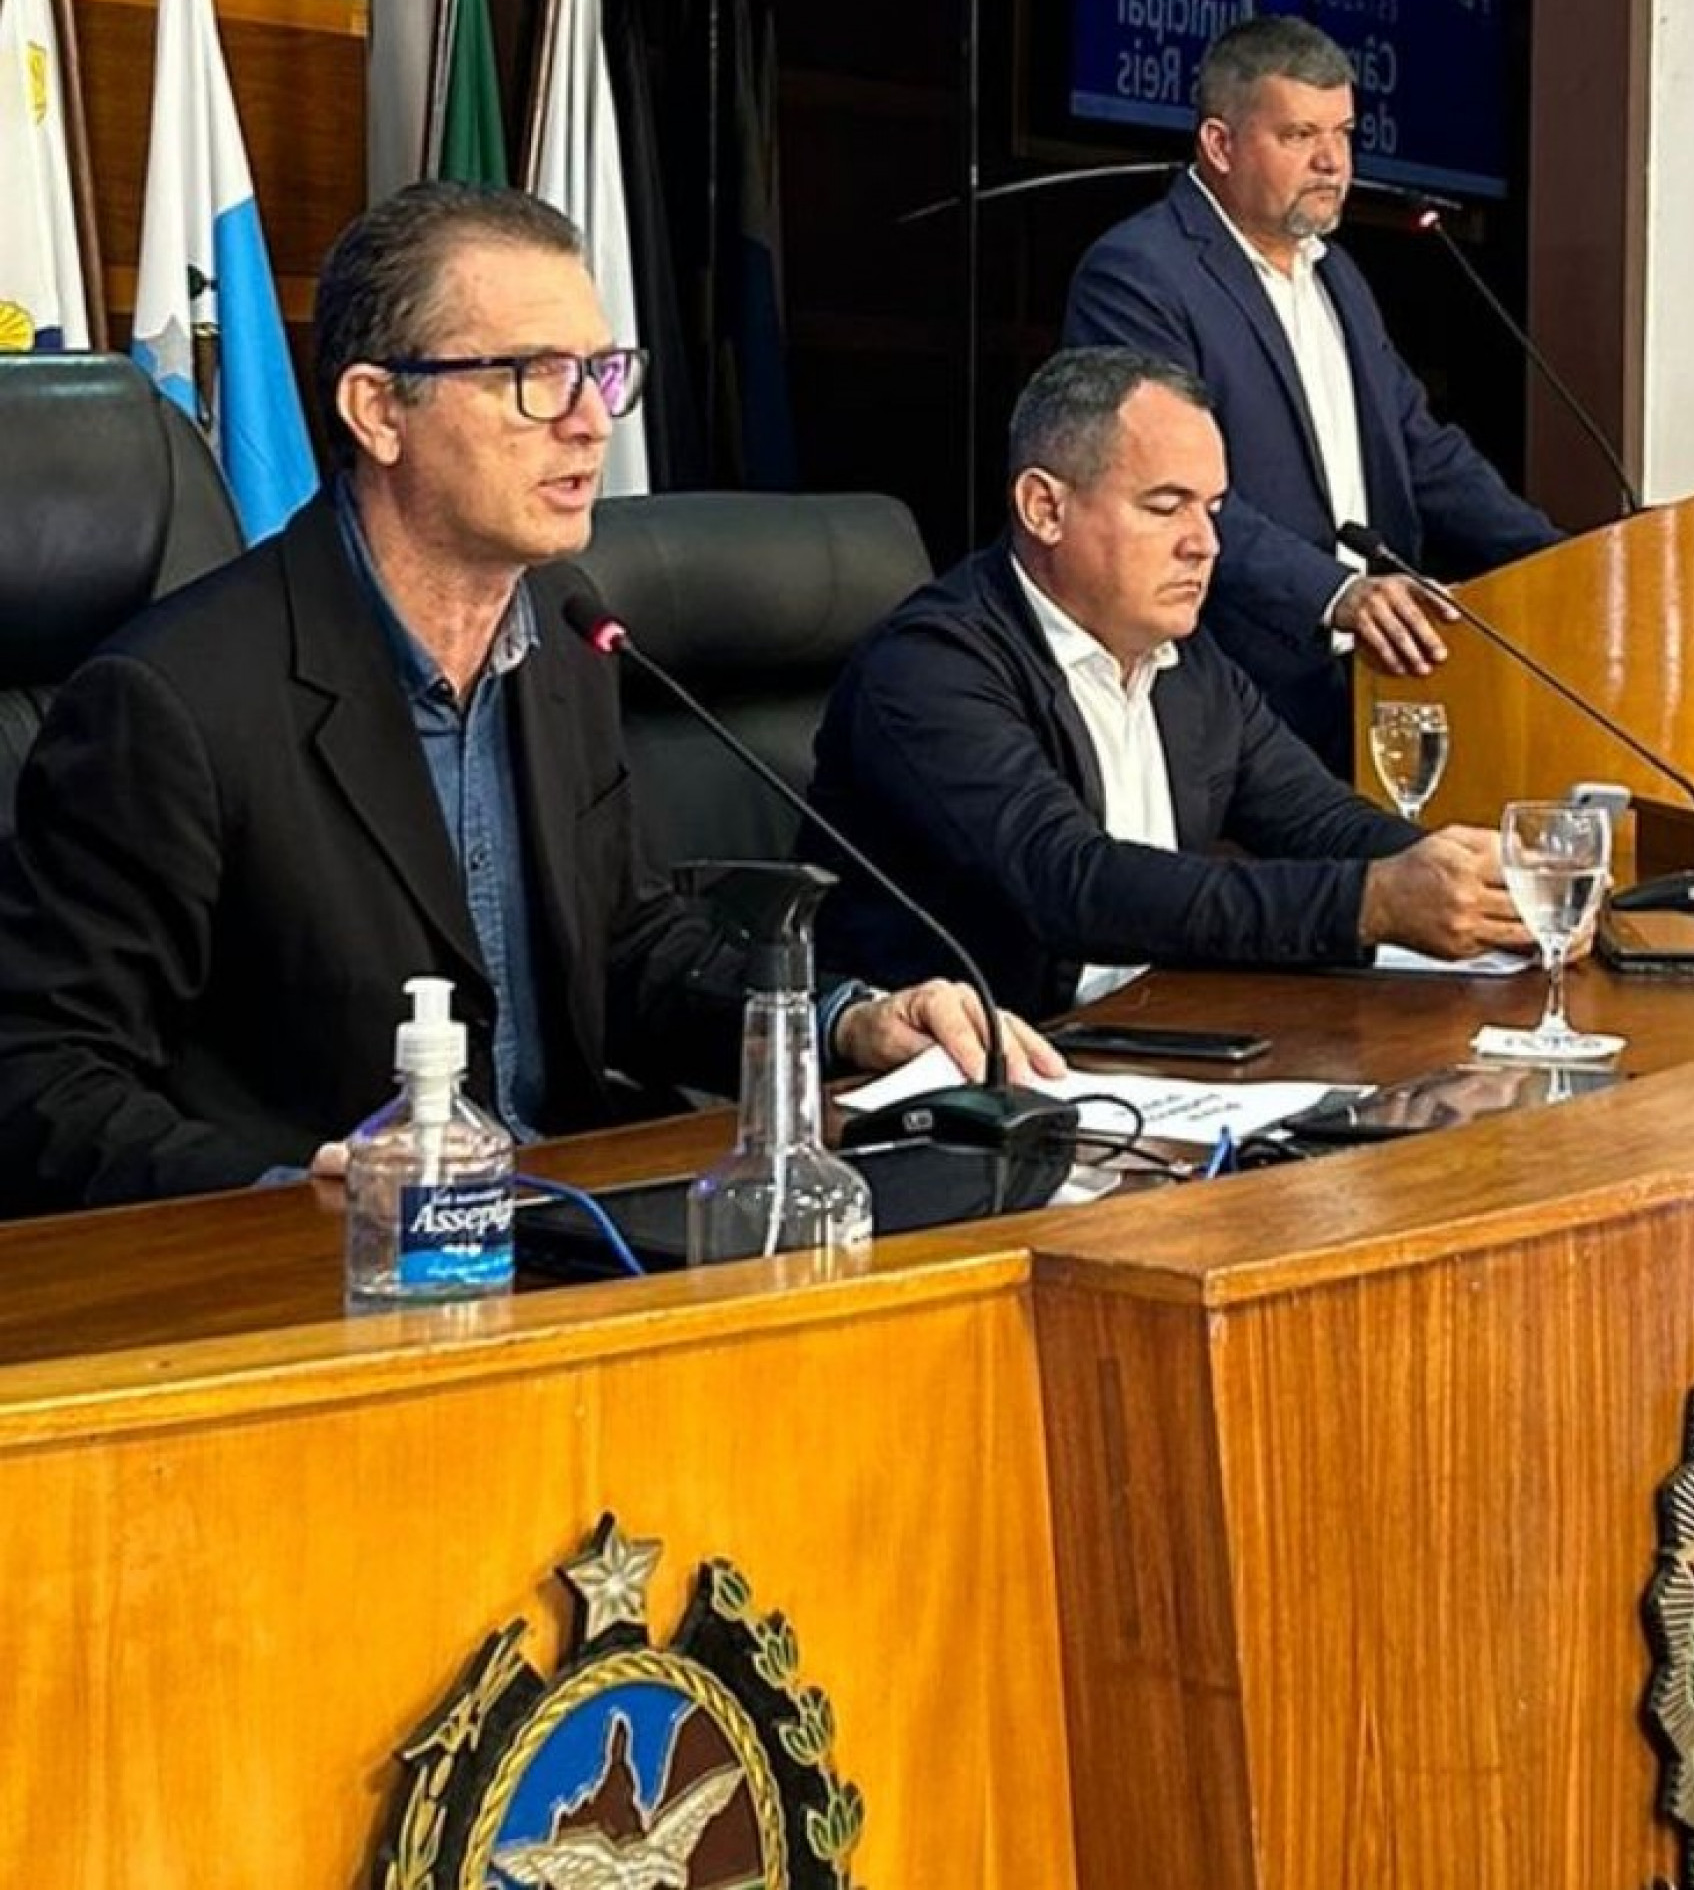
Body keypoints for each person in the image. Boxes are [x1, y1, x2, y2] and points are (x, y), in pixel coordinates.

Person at [0, 184, 1057, 1215]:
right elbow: (44, 1082)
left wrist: (843, 1021)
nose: (591, 422)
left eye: (601, 370)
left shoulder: (563, 633)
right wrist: (293, 1199)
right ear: (379, 410)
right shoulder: (174, 703)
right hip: (325, 1286)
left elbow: (627, 952)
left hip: (566, 1224)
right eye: (536, 376)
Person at [809, 347, 1533, 1016]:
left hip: (1155, 1042)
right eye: (1165, 506)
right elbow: (1072, 884)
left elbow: (1321, 822)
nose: (1205, 542)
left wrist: (1481, 879)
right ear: (1044, 508)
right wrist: (1371, 903)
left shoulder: (1189, 663)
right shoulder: (930, 667)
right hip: (968, 1089)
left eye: (1212, 509)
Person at [1061, 14, 1560, 771]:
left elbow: (1421, 451)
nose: (1332, 161)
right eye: (1298, 136)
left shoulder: (1338, 276)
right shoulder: (1140, 274)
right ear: (1220, 145)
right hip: (1229, 688)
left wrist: (1563, 561)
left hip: (1368, 683)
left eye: (1344, 133)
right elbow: (1162, 493)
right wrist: (1335, 594)